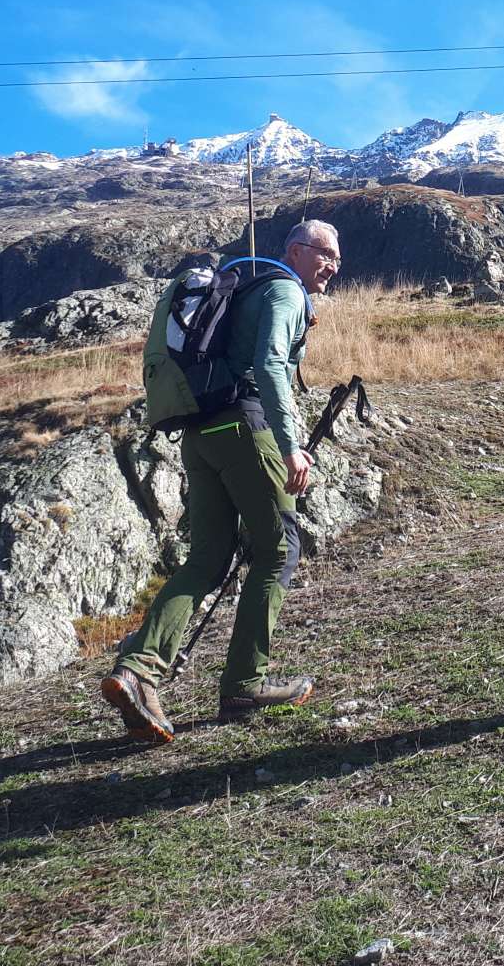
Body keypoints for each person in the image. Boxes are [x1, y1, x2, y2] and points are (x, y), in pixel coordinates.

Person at [101, 220, 343, 741]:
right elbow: (270, 364)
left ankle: (137, 670)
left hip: (201, 434)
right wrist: (289, 444)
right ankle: (244, 684)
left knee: (207, 560)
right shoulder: (285, 291)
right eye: (326, 255)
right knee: (279, 550)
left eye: (337, 260)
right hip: (245, 429)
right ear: (296, 252)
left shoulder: (245, 291)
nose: (332, 267)